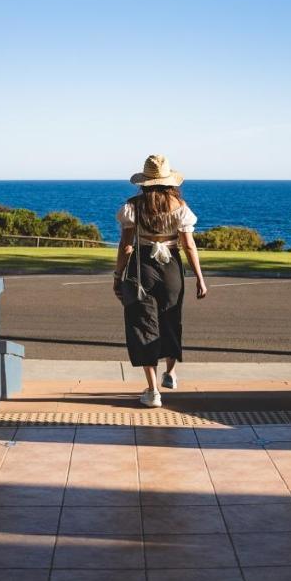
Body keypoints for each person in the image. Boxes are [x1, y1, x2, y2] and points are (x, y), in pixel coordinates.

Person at [112, 155, 208, 407]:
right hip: (172, 270)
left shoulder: (132, 207)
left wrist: (117, 275)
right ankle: (171, 373)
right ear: (168, 181)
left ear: (144, 181)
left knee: (142, 325)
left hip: (141, 269)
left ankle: (153, 390)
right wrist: (200, 278)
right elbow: (188, 245)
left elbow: (126, 247)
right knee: (171, 320)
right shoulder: (181, 207)